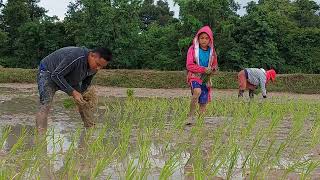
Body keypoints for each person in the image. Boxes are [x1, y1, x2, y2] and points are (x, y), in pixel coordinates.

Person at [35, 46, 112, 133]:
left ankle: (90, 131)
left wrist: (82, 95)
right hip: (48, 72)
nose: (98, 68)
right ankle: (40, 136)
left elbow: (86, 83)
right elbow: (56, 75)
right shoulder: (76, 56)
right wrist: (73, 92)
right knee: (45, 104)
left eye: (101, 67)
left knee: (83, 102)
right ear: (92, 55)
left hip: (70, 75)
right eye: (98, 64)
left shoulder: (94, 68)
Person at [185, 26, 218, 125]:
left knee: (203, 101)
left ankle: (200, 122)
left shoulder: (212, 52)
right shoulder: (193, 49)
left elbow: (214, 65)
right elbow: (189, 65)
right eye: (201, 38)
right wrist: (203, 69)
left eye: (206, 38)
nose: (204, 40)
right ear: (198, 39)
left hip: (206, 78)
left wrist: (212, 71)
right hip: (195, 76)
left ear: (210, 40)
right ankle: (190, 116)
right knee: (197, 91)